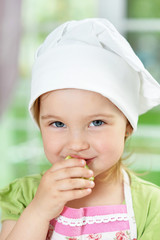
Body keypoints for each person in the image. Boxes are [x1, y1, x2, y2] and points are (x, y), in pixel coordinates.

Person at [0, 18, 160, 240]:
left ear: (128, 126)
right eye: (58, 124)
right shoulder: (24, 196)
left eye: (96, 123)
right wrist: (39, 211)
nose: (76, 144)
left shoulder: (151, 205)